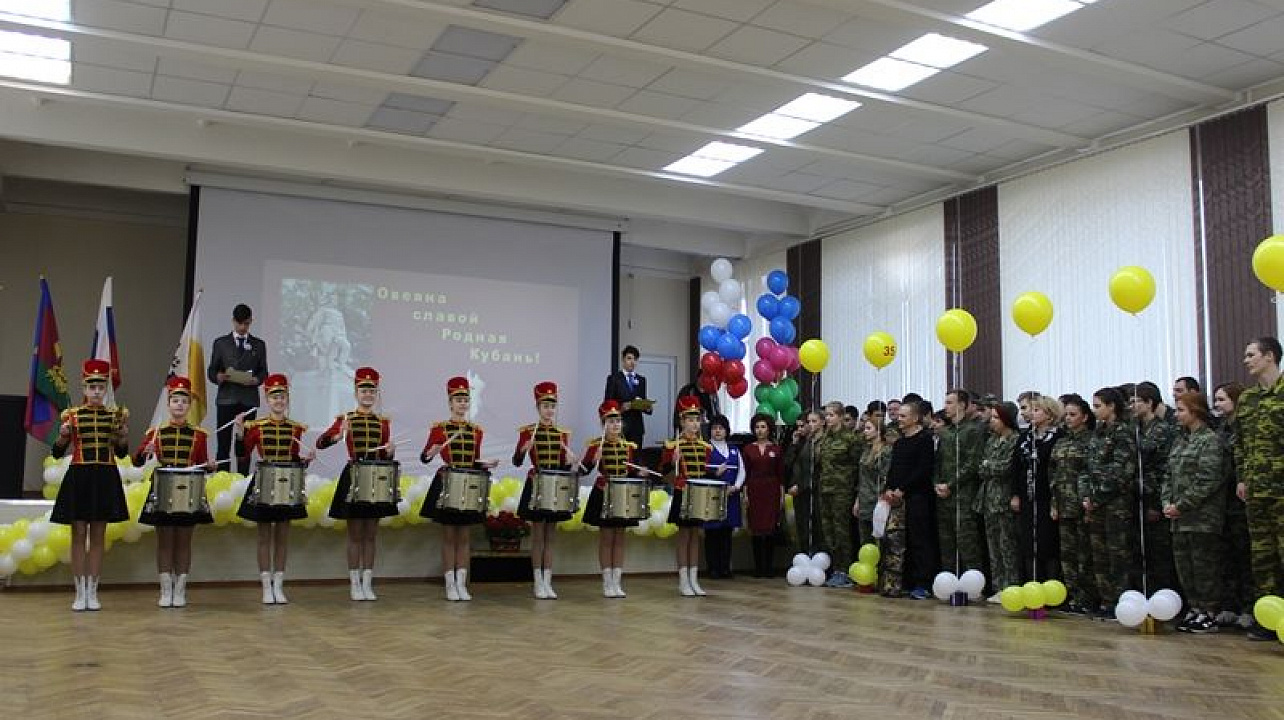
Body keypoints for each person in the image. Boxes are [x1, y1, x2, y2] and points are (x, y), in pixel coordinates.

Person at [50, 359, 130, 611]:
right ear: (84, 389)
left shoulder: (114, 416)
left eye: (100, 387)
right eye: (91, 386)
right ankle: (79, 591)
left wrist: (123, 437)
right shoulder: (71, 416)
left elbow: (121, 452)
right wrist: (62, 437)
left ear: (105, 389)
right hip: (79, 476)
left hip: (105, 477)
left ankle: (93, 591)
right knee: (78, 534)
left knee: (98, 535)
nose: (96, 391)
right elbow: (56, 452)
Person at [316, 367, 395, 602]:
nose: (368, 394)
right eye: (363, 390)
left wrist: (390, 453)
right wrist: (337, 436)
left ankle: (367, 582)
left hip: (376, 477)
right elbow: (320, 443)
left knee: (371, 534)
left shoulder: (383, 423)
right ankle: (354, 583)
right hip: (354, 475)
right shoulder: (346, 419)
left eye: (372, 390)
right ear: (356, 392)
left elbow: (384, 454)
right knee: (354, 534)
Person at [135, 376, 215, 608]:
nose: (179, 404)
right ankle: (165, 588)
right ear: (168, 404)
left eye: (184, 401)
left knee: (184, 541)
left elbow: (202, 464)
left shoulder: (200, 435)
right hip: (162, 488)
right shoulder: (155, 432)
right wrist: (146, 452)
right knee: (164, 541)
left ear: (189, 405)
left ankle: (181, 589)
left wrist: (209, 466)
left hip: (189, 490)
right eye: (175, 400)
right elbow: (137, 461)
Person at [420, 376, 499, 602]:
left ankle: (461, 583)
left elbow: (473, 460)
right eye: (458, 400)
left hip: (469, 484)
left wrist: (485, 463)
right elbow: (424, 457)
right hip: (448, 482)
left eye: (466, 400)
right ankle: (449, 584)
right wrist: (431, 452)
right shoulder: (440, 429)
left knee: (464, 537)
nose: (463, 404)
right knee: (448, 536)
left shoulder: (476, 431)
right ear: (450, 403)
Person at [236, 374, 313, 604]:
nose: (279, 400)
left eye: (282, 396)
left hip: (288, 481)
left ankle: (279, 585)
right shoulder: (257, 427)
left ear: (287, 399)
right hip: (264, 480)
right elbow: (243, 453)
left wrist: (306, 459)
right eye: (274, 396)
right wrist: (240, 433)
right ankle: (265, 586)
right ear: (267, 399)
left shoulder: (295, 428)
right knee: (263, 536)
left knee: (282, 536)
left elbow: (295, 456)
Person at [1234, 336, 1284, 641]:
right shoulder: (1248, 399)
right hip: (1256, 490)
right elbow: (1239, 443)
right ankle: (1269, 618)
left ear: (1269, 356)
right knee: (1262, 557)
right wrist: (1242, 476)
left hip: (1282, 490)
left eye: (1251, 354)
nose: (1246, 360)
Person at [1164, 392, 1225, 633]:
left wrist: (1182, 504)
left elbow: (1207, 480)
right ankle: (1194, 608)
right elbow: (1168, 475)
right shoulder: (1180, 441)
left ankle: (1209, 611)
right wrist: (1167, 502)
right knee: (1185, 568)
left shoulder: (1210, 440)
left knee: (1204, 568)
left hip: (1202, 518)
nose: (1177, 415)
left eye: (1181, 410)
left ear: (1196, 411)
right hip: (1178, 519)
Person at [513, 381, 577, 600]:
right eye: (545, 406)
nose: (549, 410)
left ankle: (548, 581)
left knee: (551, 536)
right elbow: (516, 461)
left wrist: (569, 462)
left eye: (552, 406)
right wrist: (523, 450)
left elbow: (564, 465)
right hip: (537, 483)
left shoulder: (562, 433)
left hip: (555, 485)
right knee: (538, 536)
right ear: (538, 408)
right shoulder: (528, 432)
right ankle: (537, 581)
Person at [1084, 387, 1138, 618]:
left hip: (1116, 503)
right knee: (1100, 554)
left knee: (1118, 555)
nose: (1095, 410)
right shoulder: (1097, 433)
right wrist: (1087, 495)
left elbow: (1121, 471)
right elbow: (1087, 468)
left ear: (1111, 406)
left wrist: (1097, 496)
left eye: (1098, 406)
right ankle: (1106, 600)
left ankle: (1120, 600)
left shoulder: (1123, 433)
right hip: (1095, 503)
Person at [580, 400, 640, 598]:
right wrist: (592, 460)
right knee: (606, 539)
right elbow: (583, 470)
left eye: (618, 421)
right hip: (604, 492)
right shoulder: (596, 444)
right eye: (610, 421)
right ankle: (606, 581)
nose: (615, 425)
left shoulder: (629, 446)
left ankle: (617, 581)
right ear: (603, 423)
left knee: (620, 538)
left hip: (622, 493)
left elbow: (632, 470)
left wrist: (640, 474)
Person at [660, 395, 714, 596]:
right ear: (682, 421)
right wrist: (671, 462)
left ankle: (694, 579)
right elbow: (665, 475)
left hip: (699, 495)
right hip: (683, 493)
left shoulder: (706, 448)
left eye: (697, 419)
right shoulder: (672, 446)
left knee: (695, 536)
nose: (694, 424)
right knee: (684, 537)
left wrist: (715, 473)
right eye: (690, 420)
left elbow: (706, 472)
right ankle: (683, 580)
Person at [206, 303, 268, 473]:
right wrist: (218, 377)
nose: (242, 327)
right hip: (227, 398)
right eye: (239, 323)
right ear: (233, 321)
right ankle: (222, 481)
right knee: (223, 444)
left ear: (251, 322)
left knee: (244, 445)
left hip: (248, 399)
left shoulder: (259, 345)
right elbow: (211, 370)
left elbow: (264, 372)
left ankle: (241, 482)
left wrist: (256, 380)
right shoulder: (221, 343)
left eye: (246, 323)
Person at [885, 400, 937, 600]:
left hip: (917, 497)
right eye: (898, 416)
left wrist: (902, 489)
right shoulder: (899, 442)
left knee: (919, 540)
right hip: (897, 499)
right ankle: (904, 581)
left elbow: (923, 470)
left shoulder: (924, 440)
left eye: (903, 416)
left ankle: (923, 583)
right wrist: (889, 488)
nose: (899, 419)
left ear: (915, 418)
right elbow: (894, 469)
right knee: (898, 540)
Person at [1049, 395, 1096, 615]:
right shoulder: (1062, 441)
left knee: (1084, 555)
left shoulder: (1091, 441)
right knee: (1067, 555)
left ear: (1085, 417)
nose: (1068, 418)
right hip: (1063, 504)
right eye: (1066, 414)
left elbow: (1091, 473)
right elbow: (1054, 475)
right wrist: (1054, 503)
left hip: (1082, 505)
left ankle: (1088, 597)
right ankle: (1073, 595)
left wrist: (1088, 502)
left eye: (1073, 414)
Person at [1213, 381, 1253, 628]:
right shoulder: (1219, 428)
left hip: (1240, 501)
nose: (1217, 404)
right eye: (1216, 399)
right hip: (1221, 502)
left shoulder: (1244, 427)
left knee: (1244, 556)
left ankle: (1249, 608)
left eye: (1222, 399)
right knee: (1225, 556)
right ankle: (1229, 605)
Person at [934, 389, 986, 576]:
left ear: (962, 405)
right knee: (946, 542)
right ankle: (948, 581)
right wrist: (937, 483)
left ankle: (974, 583)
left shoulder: (974, 430)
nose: (946, 407)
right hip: (943, 495)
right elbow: (937, 461)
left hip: (963, 494)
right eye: (946, 402)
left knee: (967, 542)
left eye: (950, 402)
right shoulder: (945, 432)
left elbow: (972, 463)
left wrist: (951, 484)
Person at [1014, 395, 1062, 583]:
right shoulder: (1025, 437)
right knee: (1028, 543)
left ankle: (1051, 585)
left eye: (1037, 410)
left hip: (1047, 497)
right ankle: (1032, 584)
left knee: (1047, 542)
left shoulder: (1057, 437)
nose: (1031, 414)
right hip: (1027, 496)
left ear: (1049, 415)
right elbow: (1016, 466)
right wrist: (1016, 494)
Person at [815, 401, 863, 588]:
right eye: (826, 415)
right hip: (825, 489)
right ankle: (835, 568)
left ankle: (845, 569)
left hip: (842, 490)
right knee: (829, 531)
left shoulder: (851, 439)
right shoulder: (825, 438)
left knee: (842, 530)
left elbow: (858, 466)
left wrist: (856, 493)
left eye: (831, 415)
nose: (828, 419)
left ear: (841, 417)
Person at [976, 401, 1020, 602]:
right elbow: (981, 467)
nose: (991, 421)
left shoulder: (1015, 440)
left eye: (995, 417)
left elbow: (1007, 468)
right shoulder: (991, 440)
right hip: (988, 498)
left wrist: (989, 466)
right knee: (993, 546)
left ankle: (1010, 586)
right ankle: (998, 586)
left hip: (1004, 498)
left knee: (1007, 546)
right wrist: (988, 466)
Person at [743, 413, 785, 578]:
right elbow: (745, 473)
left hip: (771, 490)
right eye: (757, 427)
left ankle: (769, 567)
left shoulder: (776, 449)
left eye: (763, 427)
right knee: (756, 530)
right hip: (754, 489)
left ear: (769, 429)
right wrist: (745, 493)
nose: (760, 430)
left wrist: (781, 495)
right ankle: (758, 567)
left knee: (770, 530)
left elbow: (781, 475)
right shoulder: (748, 449)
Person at [702, 415, 743, 579]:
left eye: (721, 428)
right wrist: (714, 473)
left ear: (726, 431)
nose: (717, 431)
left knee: (727, 533)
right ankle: (712, 568)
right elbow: (701, 471)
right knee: (712, 533)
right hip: (712, 497)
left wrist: (737, 486)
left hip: (731, 497)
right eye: (714, 428)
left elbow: (742, 470)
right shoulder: (706, 448)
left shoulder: (734, 449)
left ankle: (725, 567)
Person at [785, 411, 822, 555]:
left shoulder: (817, 442)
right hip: (797, 491)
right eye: (798, 426)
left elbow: (815, 470)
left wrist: (800, 485)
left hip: (810, 490)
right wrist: (794, 444)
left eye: (803, 425)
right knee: (801, 527)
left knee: (815, 529)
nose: (799, 429)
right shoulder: (800, 443)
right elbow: (787, 463)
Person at [855, 418, 891, 552]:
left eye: (869, 428)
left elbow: (885, 477)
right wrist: (857, 500)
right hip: (864, 498)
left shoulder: (886, 451)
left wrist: (882, 500)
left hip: (877, 500)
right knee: (864, 540)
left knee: (879, 539)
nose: (865, 432)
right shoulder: (866, 449)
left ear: (879, 431)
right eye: (864, 428)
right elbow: (862, 477)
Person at [604, 345, 649, 447]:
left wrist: (647, 406)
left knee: (636, 458)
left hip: (637, 427)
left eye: (635, 359)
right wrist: (621, 407)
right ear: (623, 360)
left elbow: (643, 399)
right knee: (621, 457)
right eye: (629, 358)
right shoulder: (614, 379)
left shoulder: (641, 380)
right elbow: (607, 403)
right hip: (620, 426)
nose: (632, 362)